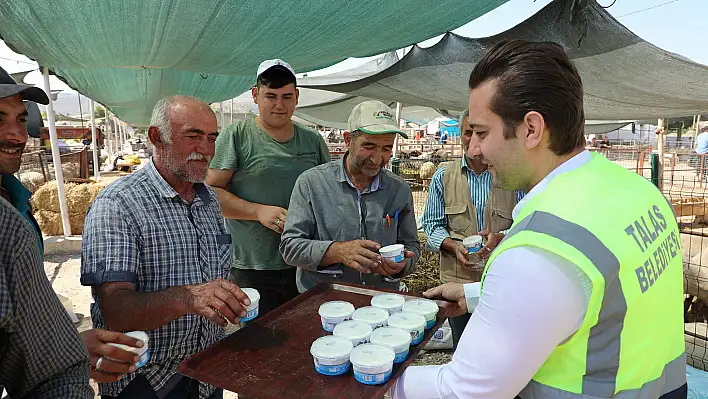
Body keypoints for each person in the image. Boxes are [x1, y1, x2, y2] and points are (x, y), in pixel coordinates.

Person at [392, 40, 686, 398]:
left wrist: (367, 377)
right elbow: (585, 294)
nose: (474, 149)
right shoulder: (641, 193)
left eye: (482, 133)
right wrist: (474, 294)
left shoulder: (537, 251)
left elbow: (464, 392)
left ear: (531, 129)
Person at [81, 95, 251, 399]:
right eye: (193, 136)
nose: (207, 150)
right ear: (156, 137)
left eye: (212, 138)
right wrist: (187, 298)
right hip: (147, 380)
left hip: (206, 374)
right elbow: (116, 310)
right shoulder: (118, 204)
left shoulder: (209, 201)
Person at [0, 65, 141, 391]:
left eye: (21, 119)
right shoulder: (114, 204)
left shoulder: (15, 207)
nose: (18, 135)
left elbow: (22, 331)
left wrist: (65, 348)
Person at [206, 59, 330, 315]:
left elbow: (328, 193)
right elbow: (210, 194)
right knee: (259, 339)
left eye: (286, 96)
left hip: (304, 261)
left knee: (303, 334)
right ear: (255, 95)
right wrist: (257, 211)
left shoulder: (313, 140)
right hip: (254, 265)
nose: (279, 105)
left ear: (296, 97)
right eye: (270, 96)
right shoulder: (236, 136)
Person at [280, 100, 420, 291]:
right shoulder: (311, 184)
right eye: (369, 146)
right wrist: (337, 251)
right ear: (348, 140)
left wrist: (402, 265)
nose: (377, 158)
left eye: (386, 148)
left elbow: (412, 245)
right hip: (324, 302)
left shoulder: (399, 190)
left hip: (380, 302)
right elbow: (290, 247)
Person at [420, 108, 523, 350]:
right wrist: (452, 245)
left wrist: (501, 237)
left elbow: (525, 225)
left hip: (501, 280)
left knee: (501, 347)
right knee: (463, 345)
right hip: (456, 279)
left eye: (481, 133)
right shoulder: (443, 176)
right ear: (460, 134)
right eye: (468, 132)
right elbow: (432, 225)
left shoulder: (509, 177)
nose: (474, 140)